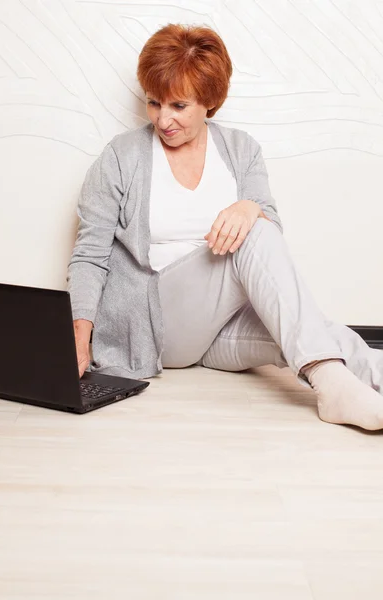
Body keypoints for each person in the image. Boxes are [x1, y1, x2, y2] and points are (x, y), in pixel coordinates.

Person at [67, 23, 383, 430]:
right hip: (156, 322)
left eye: (178, 106)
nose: (163, 119)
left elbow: (271, 243)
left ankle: (339, 379)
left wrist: (251, 207)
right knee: (256, 228)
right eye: (153, 103)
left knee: (313, 332)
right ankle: (332, 388)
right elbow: (89, 254)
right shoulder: (120, 157)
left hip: (216, 331)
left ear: (209, 101)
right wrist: (78, 337)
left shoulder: (240, 150)